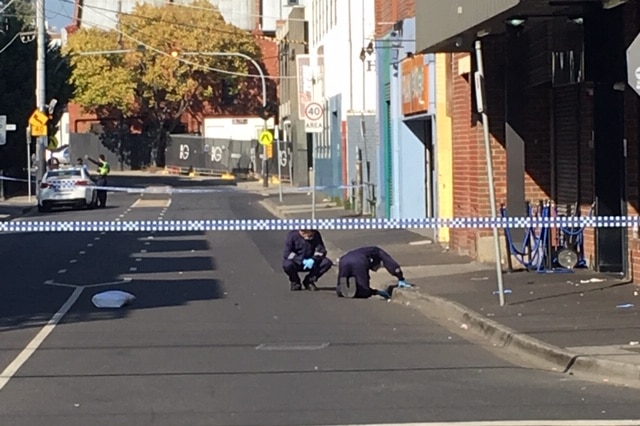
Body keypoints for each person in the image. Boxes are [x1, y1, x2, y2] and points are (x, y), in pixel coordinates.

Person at [336, 246, 408, 299]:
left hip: (344, 261)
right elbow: (390, 263)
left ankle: (341, 291)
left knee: (342, 283)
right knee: (364, 291)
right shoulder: (378, 252)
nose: (376, 270)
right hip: (359, 262)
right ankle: (360, 292)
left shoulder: (365, 251)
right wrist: (400, 277)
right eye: (377, 267)